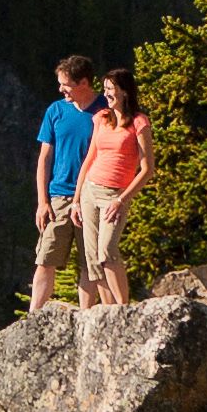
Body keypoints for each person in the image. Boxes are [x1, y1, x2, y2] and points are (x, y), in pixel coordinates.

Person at [78, 64, 154, 305]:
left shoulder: (139, 122)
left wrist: (122, 199)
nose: (106, 94)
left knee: (107, 252)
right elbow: (90, 158)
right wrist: (77, 198)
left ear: (124, 92)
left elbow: (147, 169)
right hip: (91, 189)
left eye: (111, 89)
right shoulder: (101, 118)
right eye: (105, 89)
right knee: (92, 258)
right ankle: (109, 312)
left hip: (115, 194)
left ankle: (123, 307)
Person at [29, 55, 99, 309]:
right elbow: (44, 158)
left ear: (84, 83)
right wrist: (42, 201)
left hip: (93, 196)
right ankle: (34, 318)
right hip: (59, 197)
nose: (61, 90)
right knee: (45, 258)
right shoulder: (55, 111)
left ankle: (85, 318)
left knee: (89, 263)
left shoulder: (104, 111)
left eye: (66, 84)